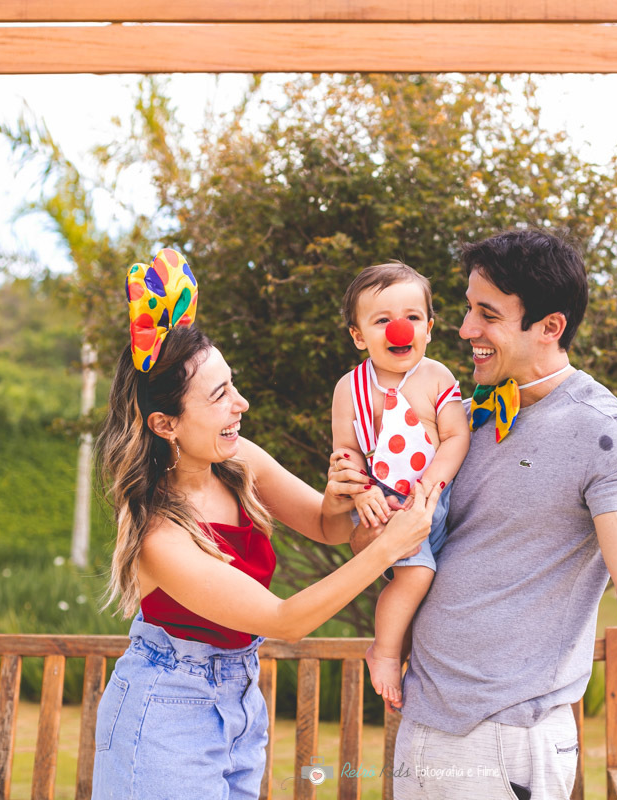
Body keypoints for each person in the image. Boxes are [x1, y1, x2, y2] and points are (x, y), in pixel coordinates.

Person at [346, 230, 617, 799]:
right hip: (425, 723)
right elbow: (387, 553)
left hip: (507, 740)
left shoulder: (605, 434)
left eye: (486, 314)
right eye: (467, 310)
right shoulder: (461, 421)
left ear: (549, 326)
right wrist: (361, 507)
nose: (465, 330)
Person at [92, 249, 441, 800]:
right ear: (165, 424)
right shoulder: (160, 537)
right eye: (219, 396)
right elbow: (284, 620)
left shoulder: (238, 463)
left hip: (239, 696)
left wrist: (340, 494)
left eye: (233, 385)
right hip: (166, 709)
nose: (242, 403)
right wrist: (385, 550)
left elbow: (327, 528)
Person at [331, 262, 470, 708]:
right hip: (386, 504)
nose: (399, 329)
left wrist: (430, 486)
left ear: (428, 328)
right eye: (382, 320)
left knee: (435, 584)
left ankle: (408, 651)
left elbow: (455, 436)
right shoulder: (350, 389)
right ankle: (385, 653)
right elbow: (347, 453)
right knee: (417, 573)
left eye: (412, 317)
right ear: (358, 336)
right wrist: (363, 492)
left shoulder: (437, 378)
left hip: (434, 498)